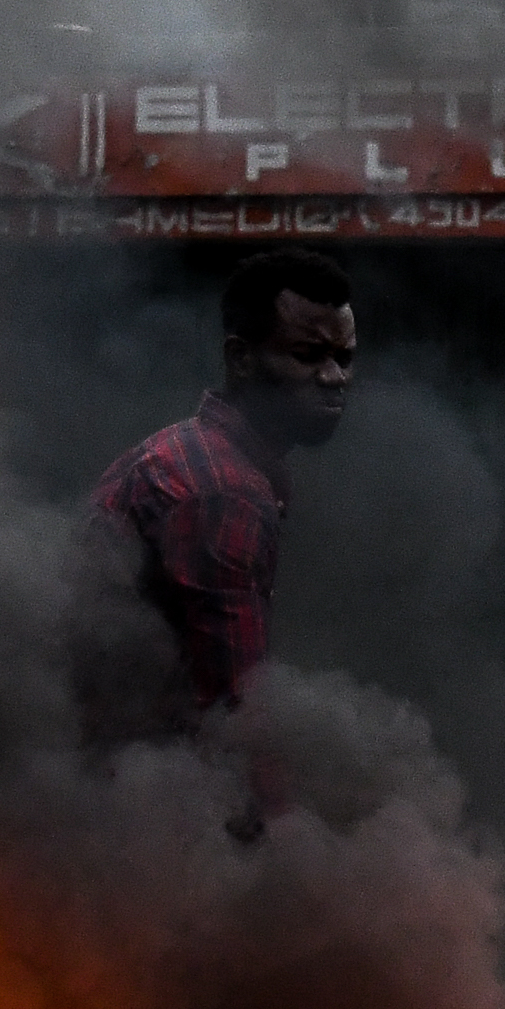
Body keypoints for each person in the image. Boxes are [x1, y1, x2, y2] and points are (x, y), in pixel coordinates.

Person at [88, 248, 358, 713]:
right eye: (308, 355)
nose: (335, 378)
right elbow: (237, 717)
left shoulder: (190, 453)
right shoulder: (222, 494)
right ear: (242, 358)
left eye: (344, 357)